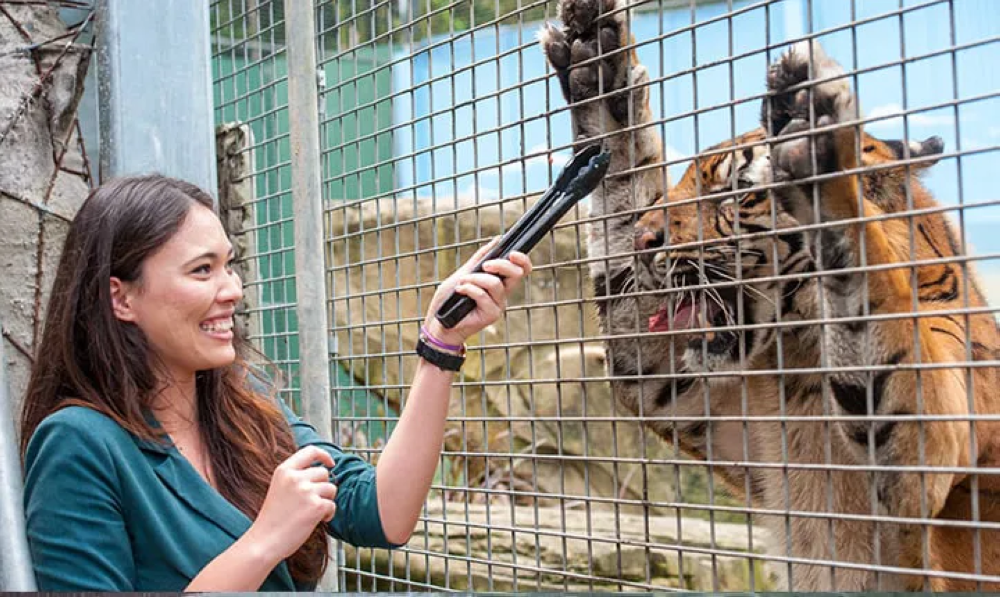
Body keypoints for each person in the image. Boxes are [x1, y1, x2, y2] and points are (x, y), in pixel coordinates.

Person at [19, 174, 532, 591]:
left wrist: (439, 344)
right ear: (122, 298)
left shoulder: (247, 410)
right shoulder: (79, 444)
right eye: (202, 271)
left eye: (230, 266)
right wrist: (264, 540)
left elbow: (384, 514)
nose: (232, 291)